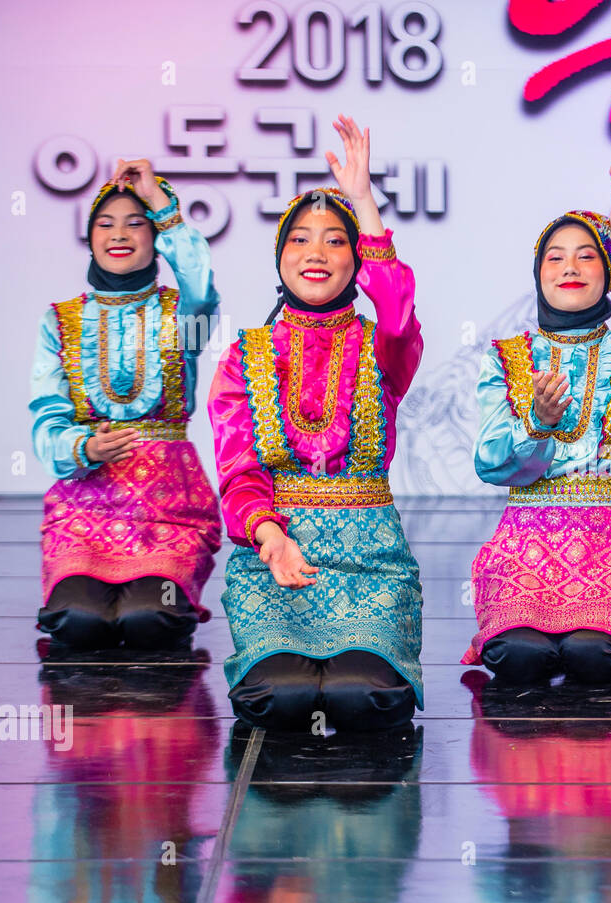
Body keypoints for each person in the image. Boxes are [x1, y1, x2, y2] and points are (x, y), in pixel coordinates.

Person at [209, 115, 423, 730]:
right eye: (301, 239)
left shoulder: (384, 345)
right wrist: (269, 535)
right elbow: (239, 470)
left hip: (369, 558)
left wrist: (363, 201)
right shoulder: (245, 355)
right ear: (281, 257)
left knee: (366, 700)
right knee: (278, 702)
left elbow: (399, 307)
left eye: (335, 239)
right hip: (276, 553)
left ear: (356, 258)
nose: (317, 252)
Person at [462, 169, 611, 681]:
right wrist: (537, 424)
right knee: (520, 657)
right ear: (538, 274)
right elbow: (491, 462)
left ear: (610, 272)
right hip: (524, 546)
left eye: (587, 255)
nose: (570, 267)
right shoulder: (506, 355)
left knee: (593, 656)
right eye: (555, 257)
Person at [30, 160, 221, 652]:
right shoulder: (61, 319)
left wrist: (160, 201)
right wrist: (84, 445)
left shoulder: (183, 313)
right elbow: (47, 417)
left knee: (148, 621)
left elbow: (201, 282)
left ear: (154, 236)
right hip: (84, 506)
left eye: (136, 223)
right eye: (105, 223)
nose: (120, 234)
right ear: (90, 236)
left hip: (169, 508)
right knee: (77, 622)